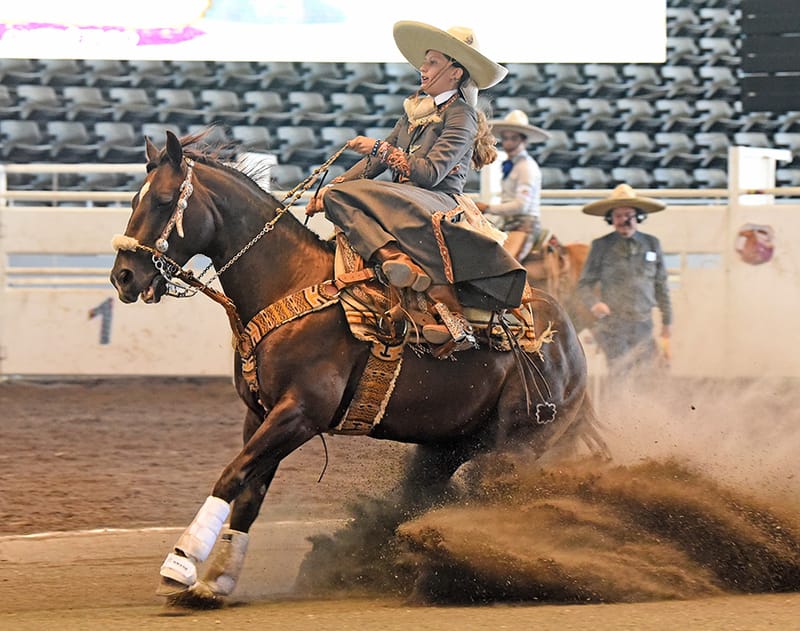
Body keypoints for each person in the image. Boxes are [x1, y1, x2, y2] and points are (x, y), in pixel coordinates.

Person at [305, 20, 527, 349]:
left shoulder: (462, 116)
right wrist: (332, 187)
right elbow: (374, 165)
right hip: (402, 199)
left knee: (344, 198)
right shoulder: (412, 115)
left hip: (438, 200)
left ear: (455, 72)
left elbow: (430, 174)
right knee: (339, 195)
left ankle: (396, 259)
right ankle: (400, 265)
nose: (423, 68)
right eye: (425, 61)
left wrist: (381, 149)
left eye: (433, 62)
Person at [576, 183, 672, 379]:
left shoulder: (652, 244)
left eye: (628, 215)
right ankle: (617, 409)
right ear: (611, 219)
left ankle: (641, 409)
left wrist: (667, 321)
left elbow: (661, 284)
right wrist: (594, 304)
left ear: (638, 217)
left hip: (644, 323)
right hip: (613, 324)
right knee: (619, 371)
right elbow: (584, 284)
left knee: (646, 373)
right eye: (618, 216)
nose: (623, 220)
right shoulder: (601, 246)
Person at [476, 109, 550, 261]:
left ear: (523, 141)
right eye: (506, 138)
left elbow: (521, 206)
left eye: (513, 138)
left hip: (524, 225)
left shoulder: (526, 167)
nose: (508, 142)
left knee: (505, 263)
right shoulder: (514, 165)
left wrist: (488, 208)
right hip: (509, 223)